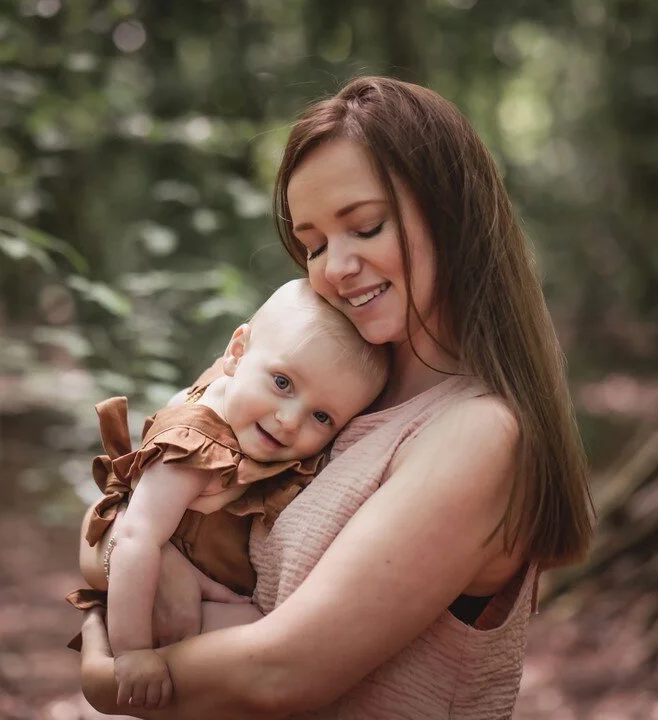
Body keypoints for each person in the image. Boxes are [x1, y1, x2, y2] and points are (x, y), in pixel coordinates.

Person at [77, 76, 595, 719]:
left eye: (366, 227)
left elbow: (282, 674)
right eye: (314, 244)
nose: (334, 267)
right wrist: (164, 568)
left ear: (450, 214)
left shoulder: (476, 432)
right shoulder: (311, 369)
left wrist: (106, 670)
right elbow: (117, 506)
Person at [69, 279, 388, 709]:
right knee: (262, 638)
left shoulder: (251, 431)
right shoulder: (194, 445)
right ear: (237, 353)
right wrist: (133, 652)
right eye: (281, 382)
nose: (290, 420)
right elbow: (134, 537)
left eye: (322, 416)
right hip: (150, 598)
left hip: (205, 588)